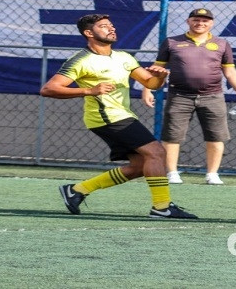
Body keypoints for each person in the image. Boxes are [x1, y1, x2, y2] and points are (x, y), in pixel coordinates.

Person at [41, 14, 197, 220]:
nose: (111, 29)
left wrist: (160, 77)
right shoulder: (81, 60)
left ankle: (77, 190)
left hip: (121, 115)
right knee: (157, 153)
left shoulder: (124, 57)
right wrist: (89, 91)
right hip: (106, 117)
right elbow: (49, 89)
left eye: (111, 26)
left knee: (141, 166)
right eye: (104, 26)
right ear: (89, 33)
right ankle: (161, 207)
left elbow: (150, 84)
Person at [141, 8, 236, 185]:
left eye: (205, 21)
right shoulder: (171, 42)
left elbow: (230, 71)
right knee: (172, 136)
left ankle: (212, 174)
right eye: (196, 19)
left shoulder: (222, 44)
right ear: (188, 21)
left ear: (211, 23)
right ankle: (172, 173)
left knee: (216, 136)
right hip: (179, 96)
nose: (200, 23)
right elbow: (156, 68)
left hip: (213, 96)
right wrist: (147, 89)